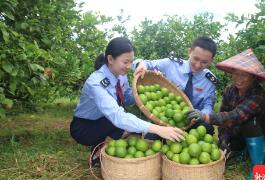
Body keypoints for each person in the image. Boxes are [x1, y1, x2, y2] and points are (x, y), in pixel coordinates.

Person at [70, 37, 184, 167]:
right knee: (126, 127)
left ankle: (109, 145)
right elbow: (117, 116)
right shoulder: (96, 83)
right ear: (110, 59)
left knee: (133, 131)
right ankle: (97, 153)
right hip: (85, 127)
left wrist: (151, 86)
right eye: (125, 62)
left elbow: (128, 98)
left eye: (131, 61)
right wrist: (158, 129)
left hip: (106, 119)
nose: (129, 66)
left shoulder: (121, 75)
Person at [185, 49, 265, 179]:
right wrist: (223, 139)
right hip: (238, 132)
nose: (238, 79)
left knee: (250, 122)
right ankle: (242, 152)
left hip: (261, 133)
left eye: (243, 75)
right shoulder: (230, 90)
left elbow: (236, 115)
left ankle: (259, 167)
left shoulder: (257, 94)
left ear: (253, 77)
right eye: (235, 74)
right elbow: (224, 115)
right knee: (224, 148)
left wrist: (206, 117)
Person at [133, 36, 218, 135]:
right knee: (152, 140)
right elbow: (144, 63)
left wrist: (202, 115)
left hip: (191, 123)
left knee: (207, 128)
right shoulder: (171, 65)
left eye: (204, 62)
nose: (198, 65)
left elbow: (208, 106)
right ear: (189, 51)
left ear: (211, 60)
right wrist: (141, 65)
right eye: (196, 59)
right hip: (163, 119)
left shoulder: (209, 81)